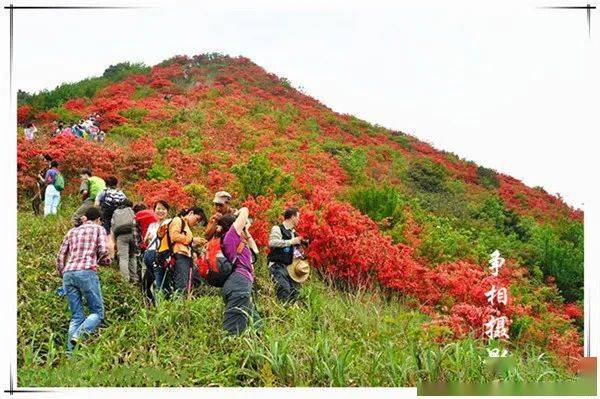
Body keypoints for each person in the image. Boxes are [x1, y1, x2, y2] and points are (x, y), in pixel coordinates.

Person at [56, 206, 112, 353]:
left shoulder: (72, 231)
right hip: (86, 271)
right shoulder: (99, 229)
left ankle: (70, 356)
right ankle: (79, 335)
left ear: (85, 217)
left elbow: (61, 256)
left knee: (76, 317)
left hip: (68, 273)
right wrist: (105, 262)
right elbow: (103, 251)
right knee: (98, 313)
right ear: (98, 220)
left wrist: (63, 273)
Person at [219, 207, 260, 335]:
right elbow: (246, 210)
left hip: (240, 282)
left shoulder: (237, 240)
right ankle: (228, 349)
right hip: (239, 282)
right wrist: (238, 213)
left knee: (256, 322)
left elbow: (256, 251)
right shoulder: (230, 236)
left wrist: (246, 231)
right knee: (233, 329)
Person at [161, 206, 206, 298]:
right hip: (179, 256)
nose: (196, 222)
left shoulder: (186, 226)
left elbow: (185, 242)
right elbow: (174, 236)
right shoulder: (178, 220)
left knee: (193, 281)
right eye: (197, 219)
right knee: (181, 284)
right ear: (191, 213)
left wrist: (196, 243)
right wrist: (192, 239)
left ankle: (186, 302)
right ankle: (179, 305)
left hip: (185, 256)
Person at [267, 207, 305, 302]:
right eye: (298, 217)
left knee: (295, 292)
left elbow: (293, 251)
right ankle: (282, 313)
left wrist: (300, 253)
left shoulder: (294, 233)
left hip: (290, 267)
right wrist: (291, 242)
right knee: (284, 290)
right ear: (292, 217)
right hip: (277, 265)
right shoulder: (277, 228)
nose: (299, 220)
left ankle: (291, 314)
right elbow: (272, 242)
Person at [140, 201, 169, 300]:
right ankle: (152, 306)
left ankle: (162, 307)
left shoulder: (169, 223)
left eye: (163, 209)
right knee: (144, 286)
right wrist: (148, 239)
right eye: (158, 208)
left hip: (159, 255)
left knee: (159, 284)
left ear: (167, 211)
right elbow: (146, 242)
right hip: (149, 255)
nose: (160, 211)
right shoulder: (152, 225)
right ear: (154, 210)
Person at [110, 199, 138, 283]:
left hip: (120, 236)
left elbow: (113, 226)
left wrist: (114, 241)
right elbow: (135, 222)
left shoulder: (115, 212)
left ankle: (125, 280)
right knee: (132, 256)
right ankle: (134, 278)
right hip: (132, 234)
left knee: (123, 258)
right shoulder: (130, 210)